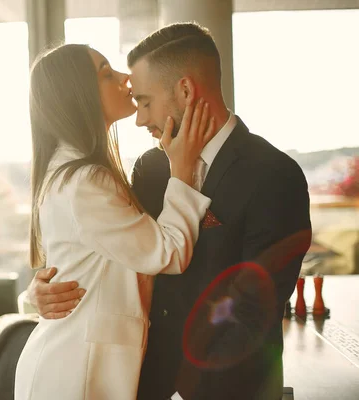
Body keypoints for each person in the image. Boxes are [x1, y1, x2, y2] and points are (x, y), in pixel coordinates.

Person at [27, 23, 312, 400]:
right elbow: (116, 254)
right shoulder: (152, 168)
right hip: (137, 383)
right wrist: (41, 291)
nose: (140, 118)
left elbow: (253, 312)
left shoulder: (274, 175)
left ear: (186, 90)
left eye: (144, 101)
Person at [14, 43, 217, 400]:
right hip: (75, 375)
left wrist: (33, 297)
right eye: (107, 73)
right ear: (78, 94)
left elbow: (76, 267)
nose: (126, 79)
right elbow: (168, 252)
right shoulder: (85, 181)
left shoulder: (73, 172)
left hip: (74, 365)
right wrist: (183, 172)